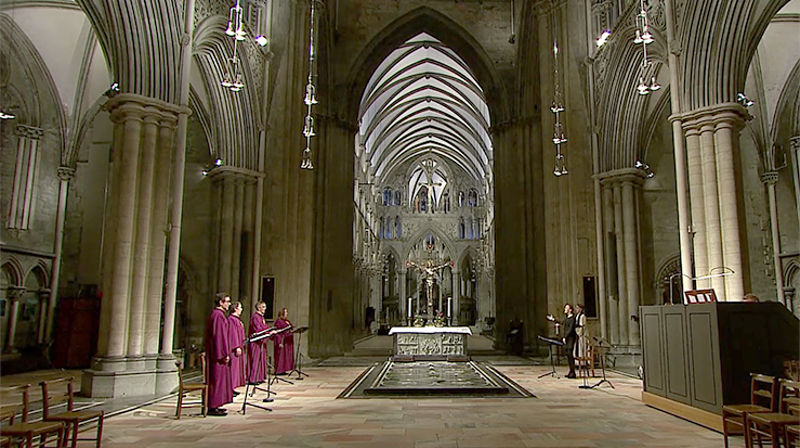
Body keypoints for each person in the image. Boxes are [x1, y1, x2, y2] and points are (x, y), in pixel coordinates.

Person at [205, 293, 233, 416]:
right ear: (220, 303)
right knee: (216, 380)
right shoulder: (218, 315)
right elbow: (219, 336)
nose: (229, 304)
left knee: (219, 380)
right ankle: (212, 406)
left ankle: (216, 404)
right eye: (227, 301)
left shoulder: (219, 315)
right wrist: (223, 354)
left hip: (217, 354)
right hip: (217, 356)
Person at [248, 301, 270, 384]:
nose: (265, 309)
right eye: (263, 307)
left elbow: (265, 327)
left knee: (261, 360)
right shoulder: (255, 317)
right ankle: (253, 379)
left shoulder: (261, 317)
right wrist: (267, 332)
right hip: (255, 343)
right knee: (255, 360)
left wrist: (270, 331)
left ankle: (259, 377)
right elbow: (258, 329)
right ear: (259, 308)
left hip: (260, 342)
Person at [227, 301, 247, 391]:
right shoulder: (231, 319)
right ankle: (231, 387)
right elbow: (233, 334)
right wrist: (237, 346)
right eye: (240, 307)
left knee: (237, 368)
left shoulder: (237, 319)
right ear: (235, 308)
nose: (241, 309)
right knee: (233, 369)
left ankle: (234, 387)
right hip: (235, 348)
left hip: (240, 345)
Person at [273, 307, 294, 375]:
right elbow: (278, 333)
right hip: (281, 341)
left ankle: (284, 369)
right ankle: (279, 370)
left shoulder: (286, 321)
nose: (287, 314)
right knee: (280, 356)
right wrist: (279, 342)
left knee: (285, 356)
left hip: (287, 341)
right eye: (285, 312)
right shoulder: (278, 321)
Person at [561, 303, 577, 378]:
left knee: (570, 354)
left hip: (570, 338)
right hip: (567, 338)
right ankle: (570, 371)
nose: (565, 309)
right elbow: (562, 323)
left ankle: (573, 372)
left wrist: (565, 337)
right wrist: (553, 320)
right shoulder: (567, 318)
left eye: (566, 308)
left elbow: (570, 329)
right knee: (568, 354)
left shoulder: (572, 318)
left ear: (570, 310)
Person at [574, 303, 587, 375]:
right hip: (577, 333)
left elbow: (582, 326)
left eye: (578, 308)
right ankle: (577, 363)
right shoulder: (577, 316)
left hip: (581, 335)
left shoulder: (582, 316)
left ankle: (582, 364)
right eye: (576, 308)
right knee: (577, 349)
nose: (577, 309)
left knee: (581, 349)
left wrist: (579, 333)